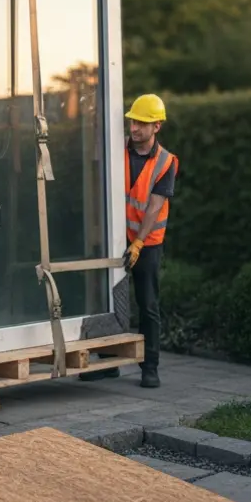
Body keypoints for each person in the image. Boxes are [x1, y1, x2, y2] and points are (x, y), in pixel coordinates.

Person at [81, 93, 177, 388]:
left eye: (142, 123)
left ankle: (150, 367)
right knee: (109, 300)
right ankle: (110, 362)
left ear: (156, 126)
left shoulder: (166, 162)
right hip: (114, 239)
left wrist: (138, 243)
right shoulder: (116, 149)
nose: (135, 127)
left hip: (146, 244)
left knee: (147, 304)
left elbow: (155, 205)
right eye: (133, 121)